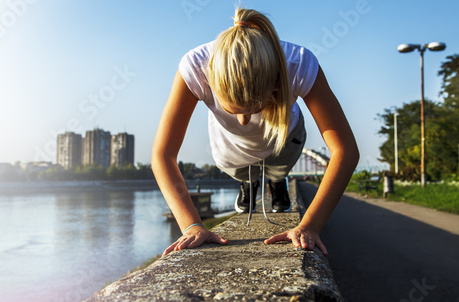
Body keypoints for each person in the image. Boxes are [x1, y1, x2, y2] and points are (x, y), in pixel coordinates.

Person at [152, 8, 359, 257]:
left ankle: (276, 181)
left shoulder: (298, 64)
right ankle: (249, 182)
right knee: (237, 168)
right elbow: (163, 156)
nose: (244, 120)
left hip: (284, 136)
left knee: (278, 168)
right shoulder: (196, 67)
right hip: (231, 146)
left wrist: (310, 226)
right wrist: (192, 225)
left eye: (254, 109)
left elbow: (345, 151)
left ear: (276, 84)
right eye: (234, 110)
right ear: (212, 82)